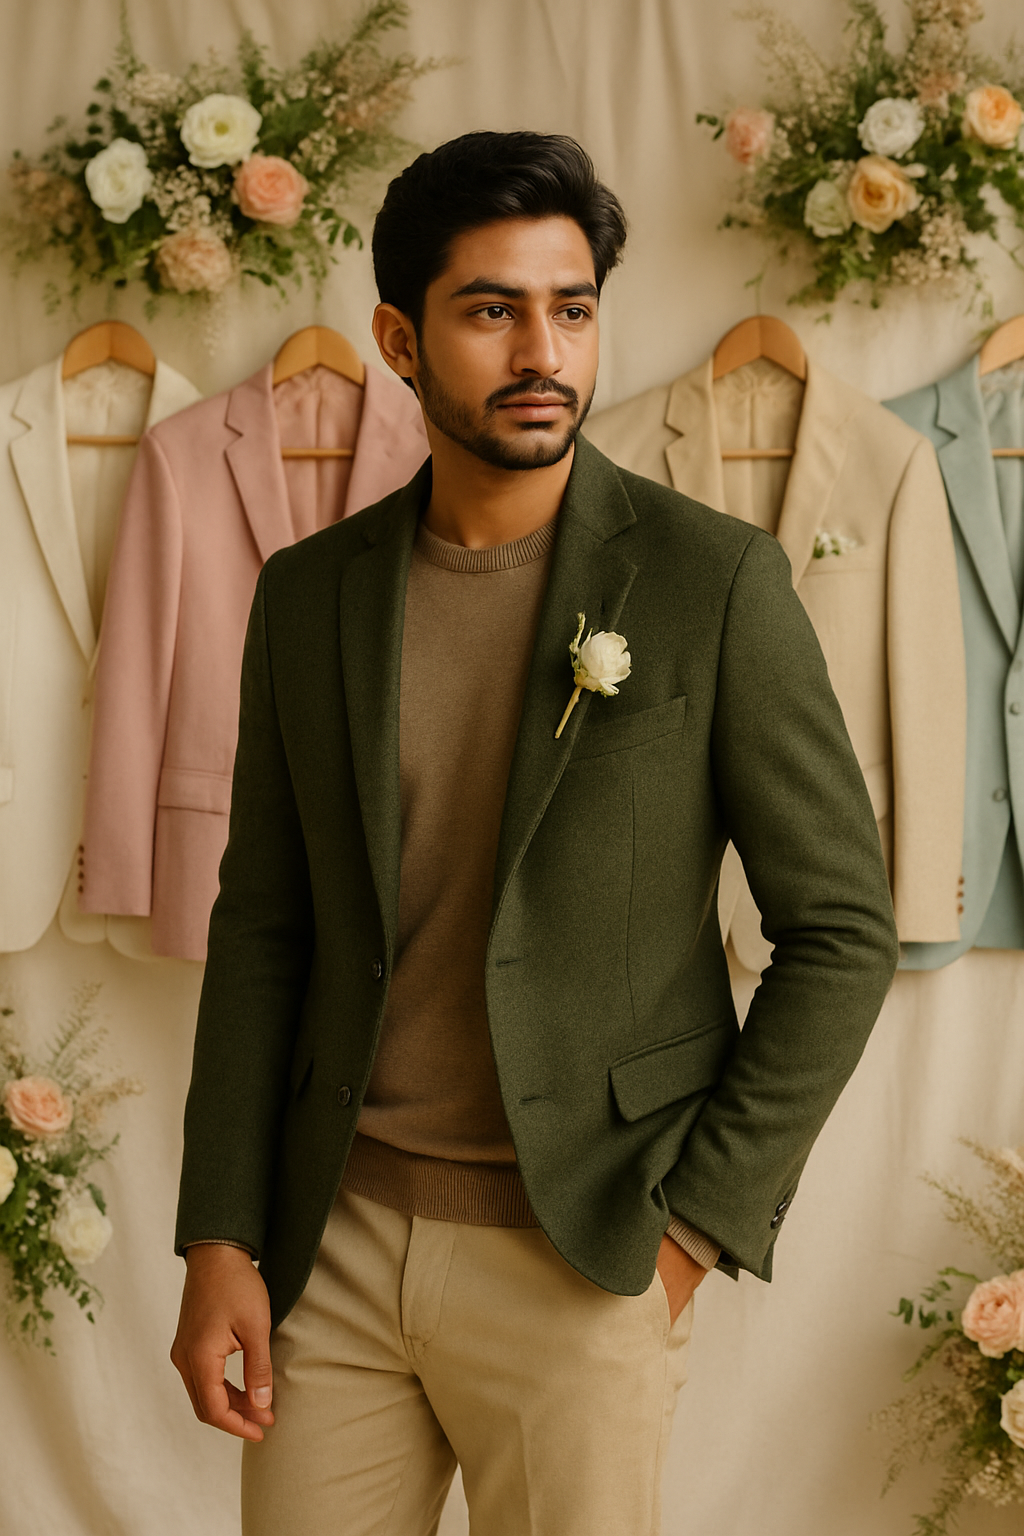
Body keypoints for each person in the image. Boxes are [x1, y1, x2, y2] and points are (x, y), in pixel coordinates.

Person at [171, 131, 899, 1536]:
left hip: (584, 1251)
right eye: (492, 308)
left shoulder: (713, 582)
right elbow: (264, 925)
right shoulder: (311, 596)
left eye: (571, 308)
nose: (542, 349)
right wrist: (220, 1236)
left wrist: (690, 1230)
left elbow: (841, 928)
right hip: (336, 1241)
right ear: (399, 336)